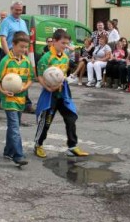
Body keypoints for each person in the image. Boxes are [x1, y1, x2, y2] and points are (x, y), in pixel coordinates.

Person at [34, 29, 89, 158]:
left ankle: (72, 146)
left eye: (67, 43)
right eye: (63, 43)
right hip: (50, 94)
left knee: (71, 117)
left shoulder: (65, 57)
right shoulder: (46, 57)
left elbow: (62, 75)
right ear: (54, 41)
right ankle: (38, 145)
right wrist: (47, 87)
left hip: (63, 92)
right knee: (46, 121)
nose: (65, 46)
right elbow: (40, 76)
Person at [0, 31, 33, 166]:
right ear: (13, 45)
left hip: (20, 100)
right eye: (21, 46)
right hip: (9, 100)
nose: (24, 49)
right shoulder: (6, 61)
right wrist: (3, 91)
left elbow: (29, 80)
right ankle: (18, 155)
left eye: (26, 47)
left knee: (13, 127)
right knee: (15, 127)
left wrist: (24, 87)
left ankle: (8, 151)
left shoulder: (26, 61)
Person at [0, 2, 33, 113]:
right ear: (11, 9)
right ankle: (1, 100)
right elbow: (3, 38)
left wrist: (25, 52)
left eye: (20, 10)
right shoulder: (6, 22)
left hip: (20, 54)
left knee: (21, 78)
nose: (18, 12)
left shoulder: (22, 22)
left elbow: (26, 38)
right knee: (4, 78)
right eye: (16, 10)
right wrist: (9, 55)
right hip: (9, 53)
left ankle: (25, 103)